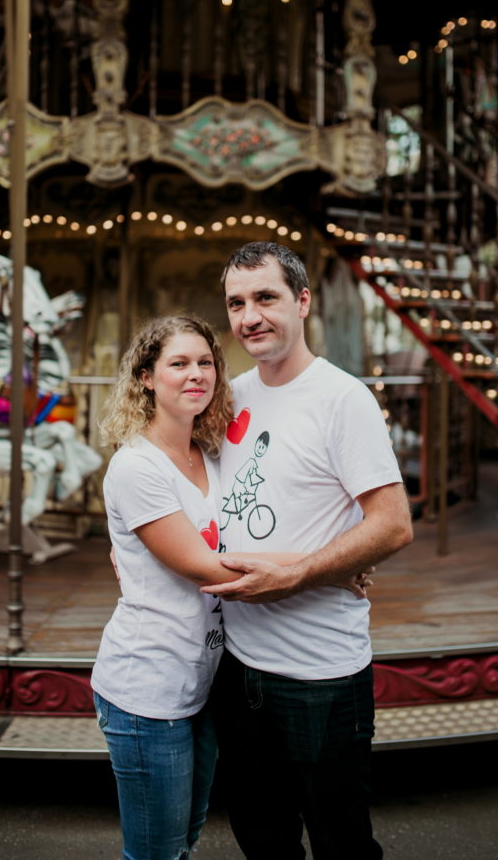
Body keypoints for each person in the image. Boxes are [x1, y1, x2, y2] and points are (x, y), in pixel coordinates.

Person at [91, 314, 347, 860]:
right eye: (178, 363)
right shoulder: (137, 466)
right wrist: (334, 565)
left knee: (187, 836)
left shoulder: (210, 456)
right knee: (158, 851)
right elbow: (208, 568)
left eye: (205, 362)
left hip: (205, 682)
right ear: (145, 377)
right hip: (148, 684)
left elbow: (242, 536)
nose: (195, 374)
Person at [201, 241, 413, 860]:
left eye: (266, 298)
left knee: (341, 840)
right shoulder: (229, 395)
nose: (250, 317)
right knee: (262, 838)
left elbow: (393, 524)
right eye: (237, 303)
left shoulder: (341, 399)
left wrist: (300, 574)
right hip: (239, 665)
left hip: (321, 672)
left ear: (302, 301)